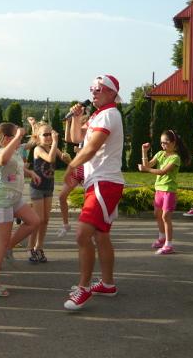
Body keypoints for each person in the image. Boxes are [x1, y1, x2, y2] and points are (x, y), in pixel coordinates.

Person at [63, 75, 124, 311]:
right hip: (100, 181)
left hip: (103, 182)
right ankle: (107, 284)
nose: (93, 92)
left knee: (82, 234)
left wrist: (71, 166)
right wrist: (75, 118)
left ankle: (84, 287)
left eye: (98, 89)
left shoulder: (109, 114)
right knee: (101, 236)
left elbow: (91, 148)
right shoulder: (99, 115)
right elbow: (76, 139)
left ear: (111, 92)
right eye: (92, 88)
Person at [0, 123, 40, 297]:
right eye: (17, 136)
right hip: (1, 200)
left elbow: (18, 166)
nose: (20, 139)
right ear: (8, 138)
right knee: (1, 241)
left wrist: (30, 173)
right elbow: (2, 160)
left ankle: (8, 247)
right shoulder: (1, 152)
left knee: (34, 221)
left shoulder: (14, 152)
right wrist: (16, 137)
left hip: (14, 197)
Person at [138, 130, 190, 255]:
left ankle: (169, 244)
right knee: (157, 214)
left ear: (173, 143)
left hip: (169, 191)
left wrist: (146, 169)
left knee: (166, 216)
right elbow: (148, 164)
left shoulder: (175, 158)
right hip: (159, 190)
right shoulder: (160, 154)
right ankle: (162, 238)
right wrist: (144, 151)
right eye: (161, 143)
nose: (163, 145)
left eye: (166, 143)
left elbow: (162, 172)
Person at [27, 123, 68, 263]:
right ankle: (30, 248)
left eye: (51, 134)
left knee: (45, 220)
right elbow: (50, 159)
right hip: (37, 187)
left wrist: (66, 156)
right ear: (37, 137)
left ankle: (39, 247)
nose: (49, 137)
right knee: (37, 220)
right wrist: (56, 143)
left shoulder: (52, 147)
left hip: (48, 187)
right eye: (45, 134)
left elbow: (64, 158)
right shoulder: (38, 149)